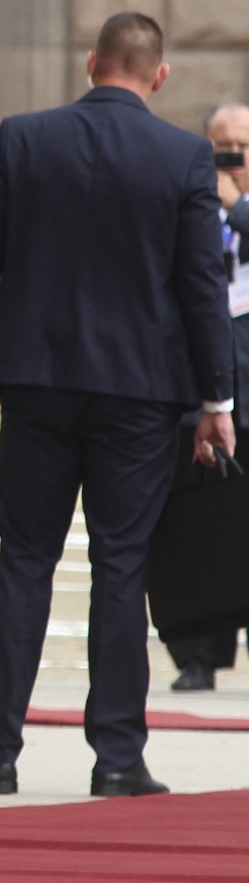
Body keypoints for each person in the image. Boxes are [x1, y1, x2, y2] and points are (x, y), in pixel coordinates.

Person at [0, 13, 235, 797]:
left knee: (23, 561)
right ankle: (116, 758)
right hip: (139, 394)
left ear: (90, 63)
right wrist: (215, 397)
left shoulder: (22, 138)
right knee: (120, 565)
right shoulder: (181, 155)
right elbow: (201, 286)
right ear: (158, 74)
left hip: (36, 384)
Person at [159, 100, 249, 691]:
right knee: (203, 525)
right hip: (203, 391)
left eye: (241, 147)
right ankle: (199, 654)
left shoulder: (238, 210)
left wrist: (237, 206)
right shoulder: (189, 203)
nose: (231, 157)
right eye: (220, 146)